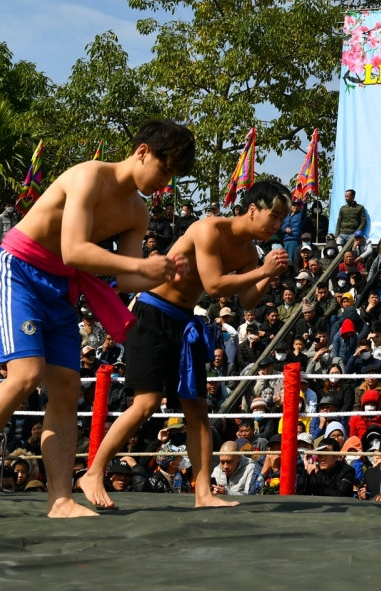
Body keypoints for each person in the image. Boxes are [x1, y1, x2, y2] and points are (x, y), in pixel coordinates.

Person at [0, 121, 195, 517]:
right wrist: (142, 265)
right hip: (19, 270)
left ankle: (60, 498)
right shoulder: (89, 176)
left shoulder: (138, 212)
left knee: (66, 389)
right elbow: (75, 249)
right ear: (143, 151)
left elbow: (127, 279)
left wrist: (158, 272)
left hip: (61, 285)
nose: (164, 182)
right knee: (25, 375)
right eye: (164, 171)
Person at [79, 179, 292, 509]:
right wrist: (261, 270)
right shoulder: (209, 229)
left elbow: (248, 300)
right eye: (274, 216)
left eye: (281, 219)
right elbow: (215, 284)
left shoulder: (250, 252)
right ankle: (93, 472)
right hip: (152, 312)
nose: (278, 225)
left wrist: (267, 274)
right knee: (146, 404)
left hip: (185, 322)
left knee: (198, 412)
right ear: (253, 209)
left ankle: (203, 493)